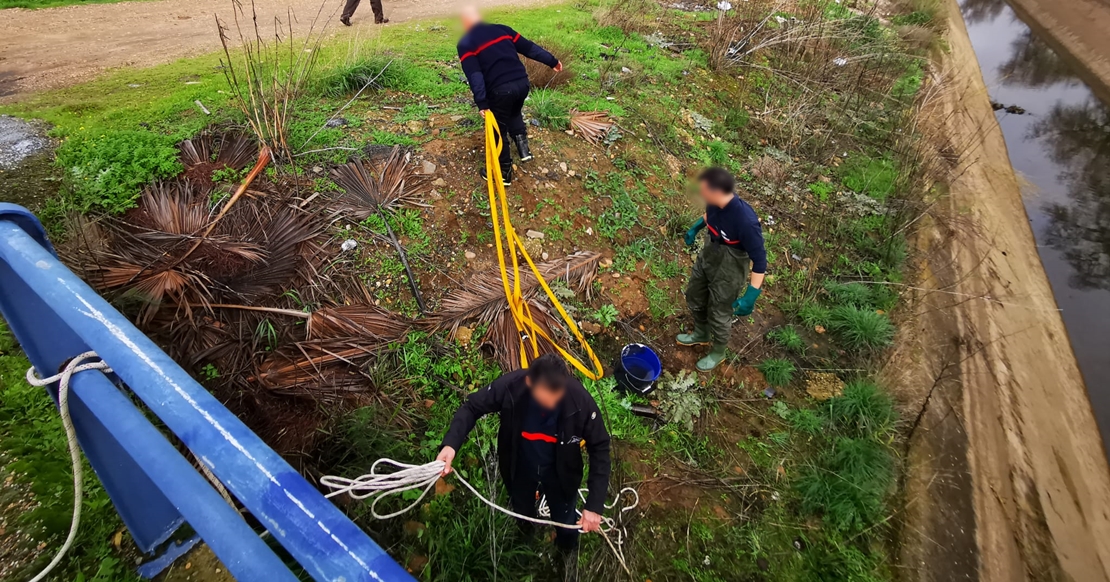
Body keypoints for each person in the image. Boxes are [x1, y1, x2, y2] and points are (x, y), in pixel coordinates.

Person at [435, 354, 611, 552]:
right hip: (519, 467)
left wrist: (594, 504)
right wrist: (450, 445)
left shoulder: (579, 401)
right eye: (545, 399)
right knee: (522, 511)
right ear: (530, 382)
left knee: (566, 520)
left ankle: (565, 551)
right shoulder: (511, 387)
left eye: (557, 396)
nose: (552, 405)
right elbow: (472, 407)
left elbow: (600, 446)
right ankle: (525, 541)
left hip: (561, 475)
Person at [457, 5, 563, 186]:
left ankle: (504, 171)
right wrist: (552, 61)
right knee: (514, 111)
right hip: (522, 83)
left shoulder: (466, 43)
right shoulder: (502, 29)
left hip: (500, 90)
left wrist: (482, 102)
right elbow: (529, 48)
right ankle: (523, 150)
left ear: (465, 23)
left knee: (497, 128)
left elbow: (475, 75)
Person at [677, 167, 768, 372]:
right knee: (695, 294)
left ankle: (718, 352)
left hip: (731, 267)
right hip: (710, 255)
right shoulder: (714, 203)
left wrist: (751, 294)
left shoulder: (746, 221)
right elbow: (709, 217)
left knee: (720, 311)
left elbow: (760, 261)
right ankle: (701, 333)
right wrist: (696, 227)